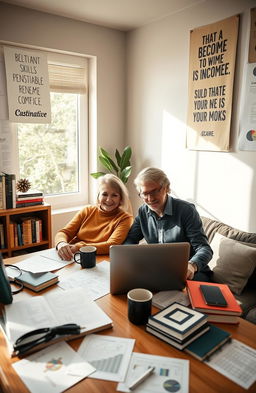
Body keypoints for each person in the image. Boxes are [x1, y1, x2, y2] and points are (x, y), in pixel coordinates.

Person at [124, 167, 213, 281]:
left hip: (192, 272)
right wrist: (131, 259)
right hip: (160, 270)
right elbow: (131, 239)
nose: (150, 198)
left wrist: (192, 265)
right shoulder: (143, 212)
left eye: (155, 191)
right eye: (145, 194)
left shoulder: (186, 210)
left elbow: (204, 248)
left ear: (166, 188)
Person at [55, 174, 133, 260]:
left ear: (121, 199)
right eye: (104, 194)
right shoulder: (87, 211)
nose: (108, 200)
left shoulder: (125, 218)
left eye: (114, 195)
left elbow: (112, 245)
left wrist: (79, 247)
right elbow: (64, 232)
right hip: (73, 257)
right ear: (98, 196)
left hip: (97, 259)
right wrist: (61, 243)